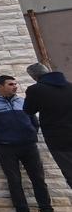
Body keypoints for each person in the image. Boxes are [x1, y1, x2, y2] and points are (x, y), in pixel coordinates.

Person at [0, 75, 63, 212]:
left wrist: (31, 133)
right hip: (6, 148)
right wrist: (0, 137)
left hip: (28, 146)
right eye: (10, 84)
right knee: (14, 180)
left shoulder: (22, 101)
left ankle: (47, 211)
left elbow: (34, 121)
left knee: (38, 179)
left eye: (15, 84)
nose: (15, 86)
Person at [23, 62, 72, 191]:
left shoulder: (35, 90)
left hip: (58, 139)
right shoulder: (69, 86)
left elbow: (28, 110)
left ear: (34, 77)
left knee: (70, 172)